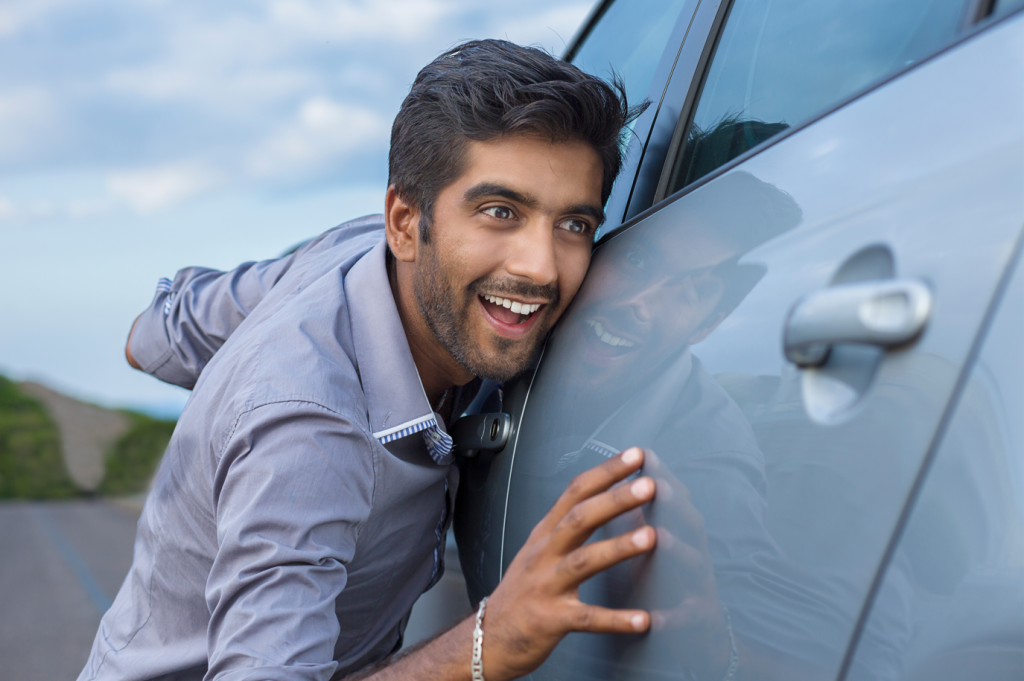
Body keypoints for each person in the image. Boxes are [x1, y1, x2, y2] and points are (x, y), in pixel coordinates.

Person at [78, 40, 653, 681]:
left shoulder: (351, 249)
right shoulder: (310, 435)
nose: (540, 267)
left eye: (573, 224)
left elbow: (152, 337)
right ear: (405, 223)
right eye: (500, 212)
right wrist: (489, 642)